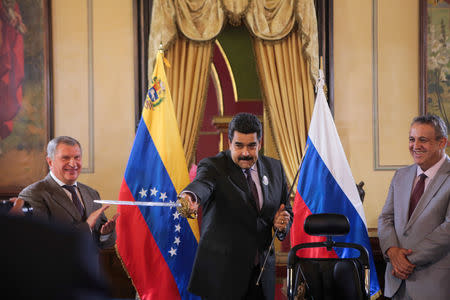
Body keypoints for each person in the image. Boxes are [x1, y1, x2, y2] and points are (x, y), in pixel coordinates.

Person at [180, 112, 292, 299]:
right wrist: (190, 196)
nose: (245, 153)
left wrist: (282, 223)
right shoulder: (214, 166)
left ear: (260, 144)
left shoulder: (275, 169)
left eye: (251, 146)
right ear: (229, 143)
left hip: (262, 276)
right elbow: (202, 184)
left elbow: (284, 209)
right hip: (223, 277)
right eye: (239, 146)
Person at [378, 114, 449, 300]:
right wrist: (392, 251)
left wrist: (405, 261)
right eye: (412, 139)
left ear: (442, 143)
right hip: (396, 284)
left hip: (434, 285)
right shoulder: (400, 175)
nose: (415, 146)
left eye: (423, 140)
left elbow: (448, 230)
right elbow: (385, 219)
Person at [19, 136, 118, 249]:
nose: (73, 163)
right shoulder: (33, 194)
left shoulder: (91, 193)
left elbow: (105, 244)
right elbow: (41, 241)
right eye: (65, 158)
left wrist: (105, 234)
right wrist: (86, 226)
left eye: (77, 157)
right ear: (50, 162)